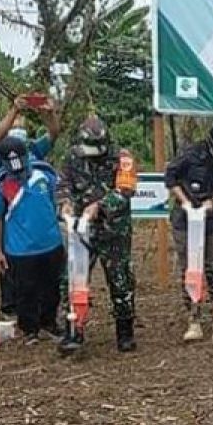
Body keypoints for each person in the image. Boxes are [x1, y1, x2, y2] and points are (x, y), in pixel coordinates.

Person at [56, 117, 137, 354]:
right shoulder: (72, 156)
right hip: (81, 229)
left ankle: (125, 332)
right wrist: (65, 203)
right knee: (72, 279)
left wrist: (99, 206)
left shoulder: (123, 158)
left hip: (114, 230)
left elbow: (125, 191)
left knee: (120, 280)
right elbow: (62, 185)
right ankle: (74, 330)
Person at [164, 123, 213, 341]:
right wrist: (186, 202)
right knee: (190, 268)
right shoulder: (190, 154)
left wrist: (212, 202)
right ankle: (193, 317)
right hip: (185, 217)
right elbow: (170, 179)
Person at [0, 136, 64, 342]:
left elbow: (60, 198)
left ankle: (49, 323)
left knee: (52, 288)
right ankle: (30, 329)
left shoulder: (44, 173)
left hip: (51, 243)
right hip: (20, 249)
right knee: (25, 291)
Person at [0, 95, 61, 318]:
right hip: (15, 230)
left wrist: (49, 114)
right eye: (13, 126)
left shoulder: (33, 152)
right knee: (20, 279)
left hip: (45, 236)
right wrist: (14, 111)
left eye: (21, 126)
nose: (17, 128)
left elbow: (54, 133)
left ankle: (46, 319)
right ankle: (18, 315)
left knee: (48, 282)